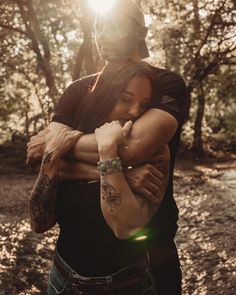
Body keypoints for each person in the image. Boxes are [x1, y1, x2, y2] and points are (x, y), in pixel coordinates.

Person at [27, 0, 188, 294]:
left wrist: (63, 148)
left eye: (114, 23)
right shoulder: (78, 89)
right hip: (68, 263)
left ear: (141, 31)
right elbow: (40, 152)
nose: (102, 31)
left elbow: (134, 147)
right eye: (99, 24)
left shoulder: (165, 84)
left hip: (146, 257)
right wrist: (123, 172)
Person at [30, 59, 168, 295]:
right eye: (125, 98)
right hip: (63, 281)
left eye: (144, 105)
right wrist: (51, 155)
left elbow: (125, 227)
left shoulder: (156, 152)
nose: (135, 112)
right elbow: (39, 223)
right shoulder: (74, 135)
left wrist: (107, 151)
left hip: (127, 286)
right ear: (105, 94)